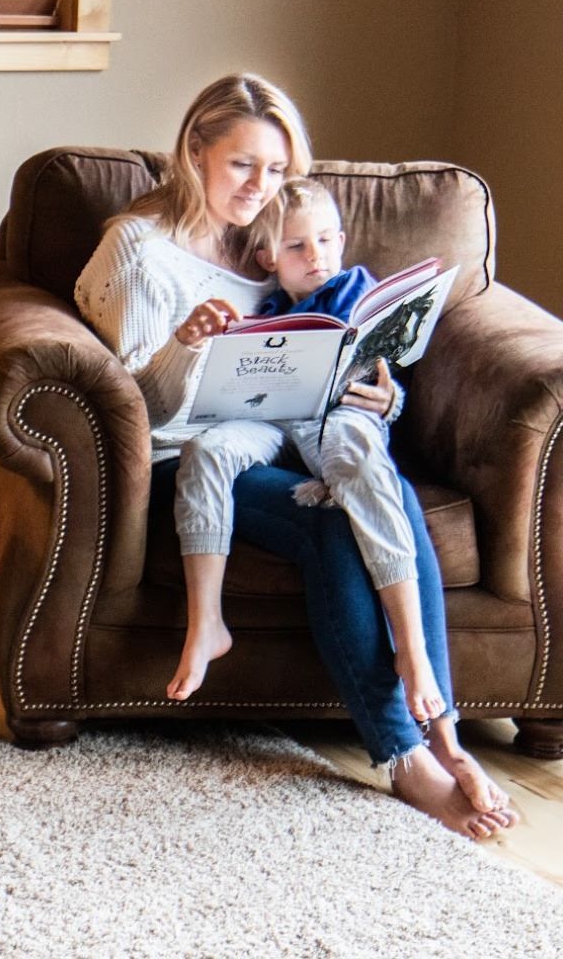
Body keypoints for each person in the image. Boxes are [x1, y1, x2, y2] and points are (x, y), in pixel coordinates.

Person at [74, 72, 517, 840]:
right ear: (196, 151)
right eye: (244, 165)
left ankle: (444, 734)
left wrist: (385, 396)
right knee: (330, 525)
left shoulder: (275, 243)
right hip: (199, 451)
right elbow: (135, 409)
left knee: (379, 487)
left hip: (295, 438)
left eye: (277, 170)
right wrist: (187, 345)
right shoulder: (141, 251)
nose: (261, 186)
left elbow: (335, 352)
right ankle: (408, 756)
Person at [157, 176, 443, 725]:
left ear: (342, 238)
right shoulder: (265, 312)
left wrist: (390, 402)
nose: (317, 256)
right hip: (272, 420)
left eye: (327, 240)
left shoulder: (359, 290)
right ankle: (206, 622)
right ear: (268, 257)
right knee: (206, 451)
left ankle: (410, 646)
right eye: (296, 246)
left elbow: (389, 376)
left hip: (341, 416)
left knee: (358, 456)